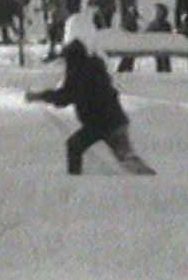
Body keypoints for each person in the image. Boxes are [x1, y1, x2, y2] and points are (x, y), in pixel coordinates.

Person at [25, 37, 156, 176]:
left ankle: (75, 179)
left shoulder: (79, 73)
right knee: (127, 158)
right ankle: (150, 180)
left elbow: (65, 97)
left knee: (74, 146)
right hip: (116, 120)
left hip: (100, 123)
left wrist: (38, 96)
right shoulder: (94, 68)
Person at [116, 0, 140, 73]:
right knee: (132, 44)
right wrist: (134, 14)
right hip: (130, 21)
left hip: (126, 20)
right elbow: (131, 7)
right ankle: (127, 65)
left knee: (128, 43)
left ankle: (126, 65)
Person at [146, 2, 173, 73]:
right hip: (156, 46)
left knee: (165, 61)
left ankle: (166, 71)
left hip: (164, 47)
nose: (157, 13)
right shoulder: (153, 24)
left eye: (159, 11)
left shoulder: (166, 24)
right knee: (159, 62)